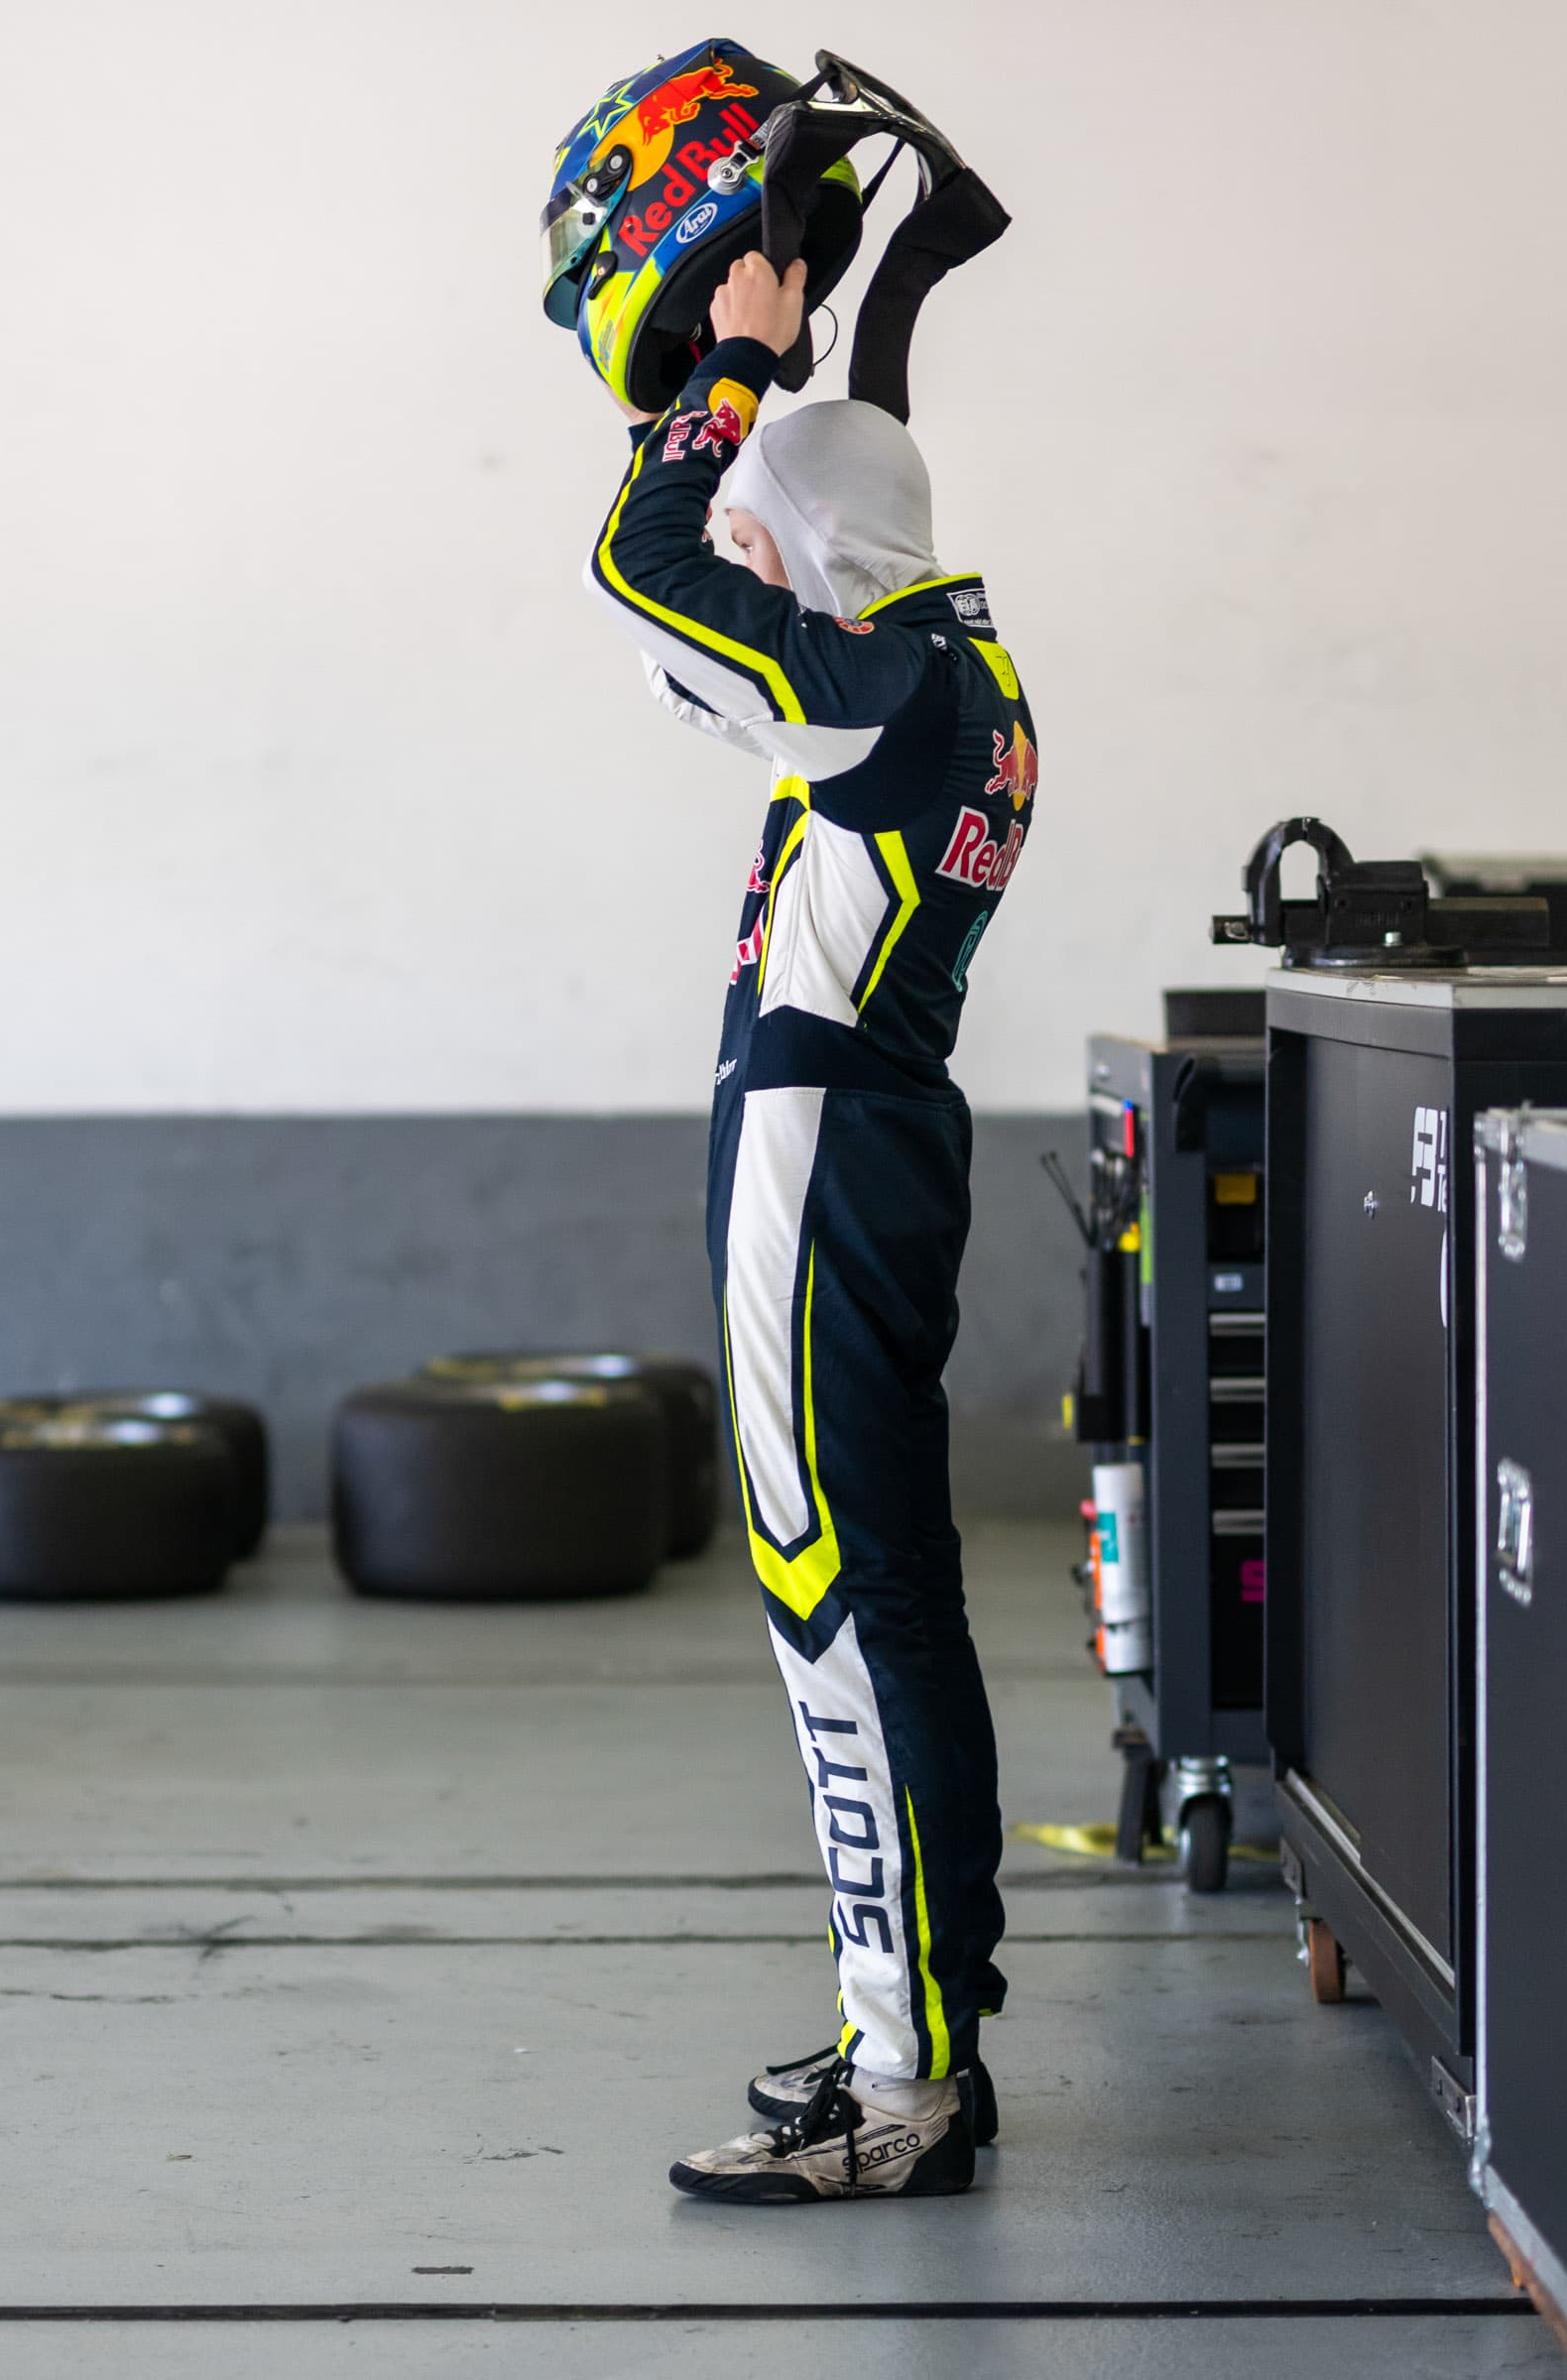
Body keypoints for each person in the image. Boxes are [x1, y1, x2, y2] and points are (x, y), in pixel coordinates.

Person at [584, 172, 1028, 2202]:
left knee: (827, 1585)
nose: (735, 569)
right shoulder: (940, 669)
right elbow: (798, 527)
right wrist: (859, 334)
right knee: (895, 1589)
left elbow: (639, 557)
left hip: (817, 1151)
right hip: (870, 1138)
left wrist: (745, 348)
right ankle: (921, 2025)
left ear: (820, 560)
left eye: (769, 542)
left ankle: (902, 2083)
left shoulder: (862, 696)